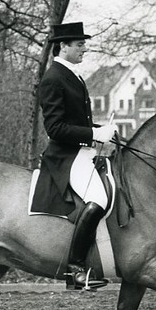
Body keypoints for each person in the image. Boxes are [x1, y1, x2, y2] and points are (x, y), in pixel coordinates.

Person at [38, 21, 117, 290]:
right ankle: (75, 269)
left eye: (84, 44)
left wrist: (102, 131)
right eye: (80, 44)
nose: (85, 48)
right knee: (98, 198)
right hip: (65, 156)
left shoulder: (73, 75)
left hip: (82, 150)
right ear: (64, 46)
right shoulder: (53, 78)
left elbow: (76, 122)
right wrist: (94, 135)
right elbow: (55, 128)